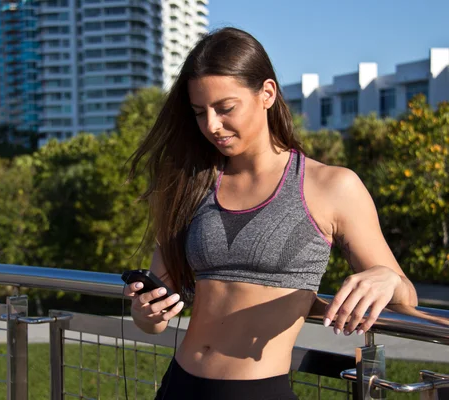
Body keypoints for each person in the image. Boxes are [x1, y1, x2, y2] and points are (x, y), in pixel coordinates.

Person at [124, 27, 418, 400]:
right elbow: (152, 316)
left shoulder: (331, 186)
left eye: (225, 108)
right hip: (178, 385)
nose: (212, 125)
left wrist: (388, 280)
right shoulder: (191, 184)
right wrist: (145, 314)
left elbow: (406, 296)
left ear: (267, 93)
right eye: (200, 112)